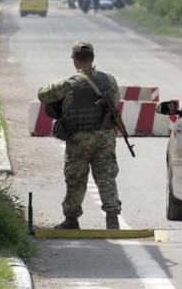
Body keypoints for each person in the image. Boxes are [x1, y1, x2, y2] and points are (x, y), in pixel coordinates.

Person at [38, 40, 122, 230]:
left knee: (76, 177)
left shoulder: (68, 84)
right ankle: (112, 218)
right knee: (106, 176)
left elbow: (43, 95)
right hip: (104, 137)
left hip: (78, 139)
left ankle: (71, 219)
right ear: (92, 58)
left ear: (74, 60)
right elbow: (115, 100)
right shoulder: (109, 81)